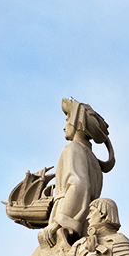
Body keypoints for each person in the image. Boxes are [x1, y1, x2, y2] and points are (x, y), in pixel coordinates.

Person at [40, 98, 114, 246]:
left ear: (78, 123)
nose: (64, 127)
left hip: (67, 215)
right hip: (86, 218)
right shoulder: (93, 160)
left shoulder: (73, 148)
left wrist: (59, 222)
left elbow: (78, 185)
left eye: (67, 119)